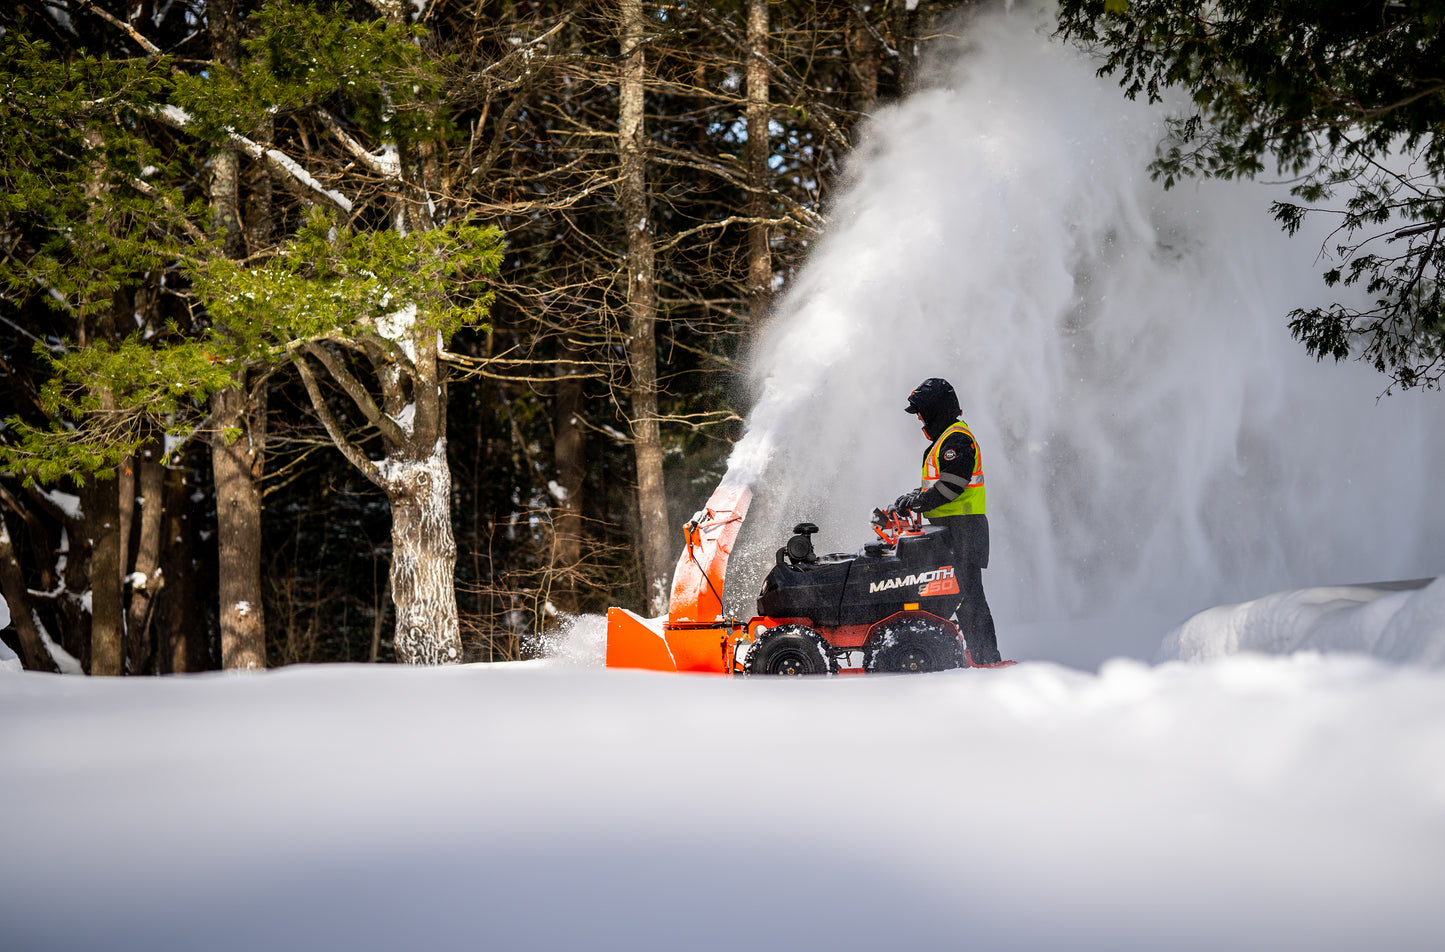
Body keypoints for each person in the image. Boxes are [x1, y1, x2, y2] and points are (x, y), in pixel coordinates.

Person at [889, 377, 1001, 665]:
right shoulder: (947, 439)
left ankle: (986, 660)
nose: (921, 420)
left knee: (967, 598)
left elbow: (953, 484)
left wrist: (921, 501)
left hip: (963, 529)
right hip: (951, 530)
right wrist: (915, 496)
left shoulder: (956, 439)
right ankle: (965, 654)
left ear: (937, 410)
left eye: (923, 413)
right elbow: (940, 483)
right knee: (948, 595)